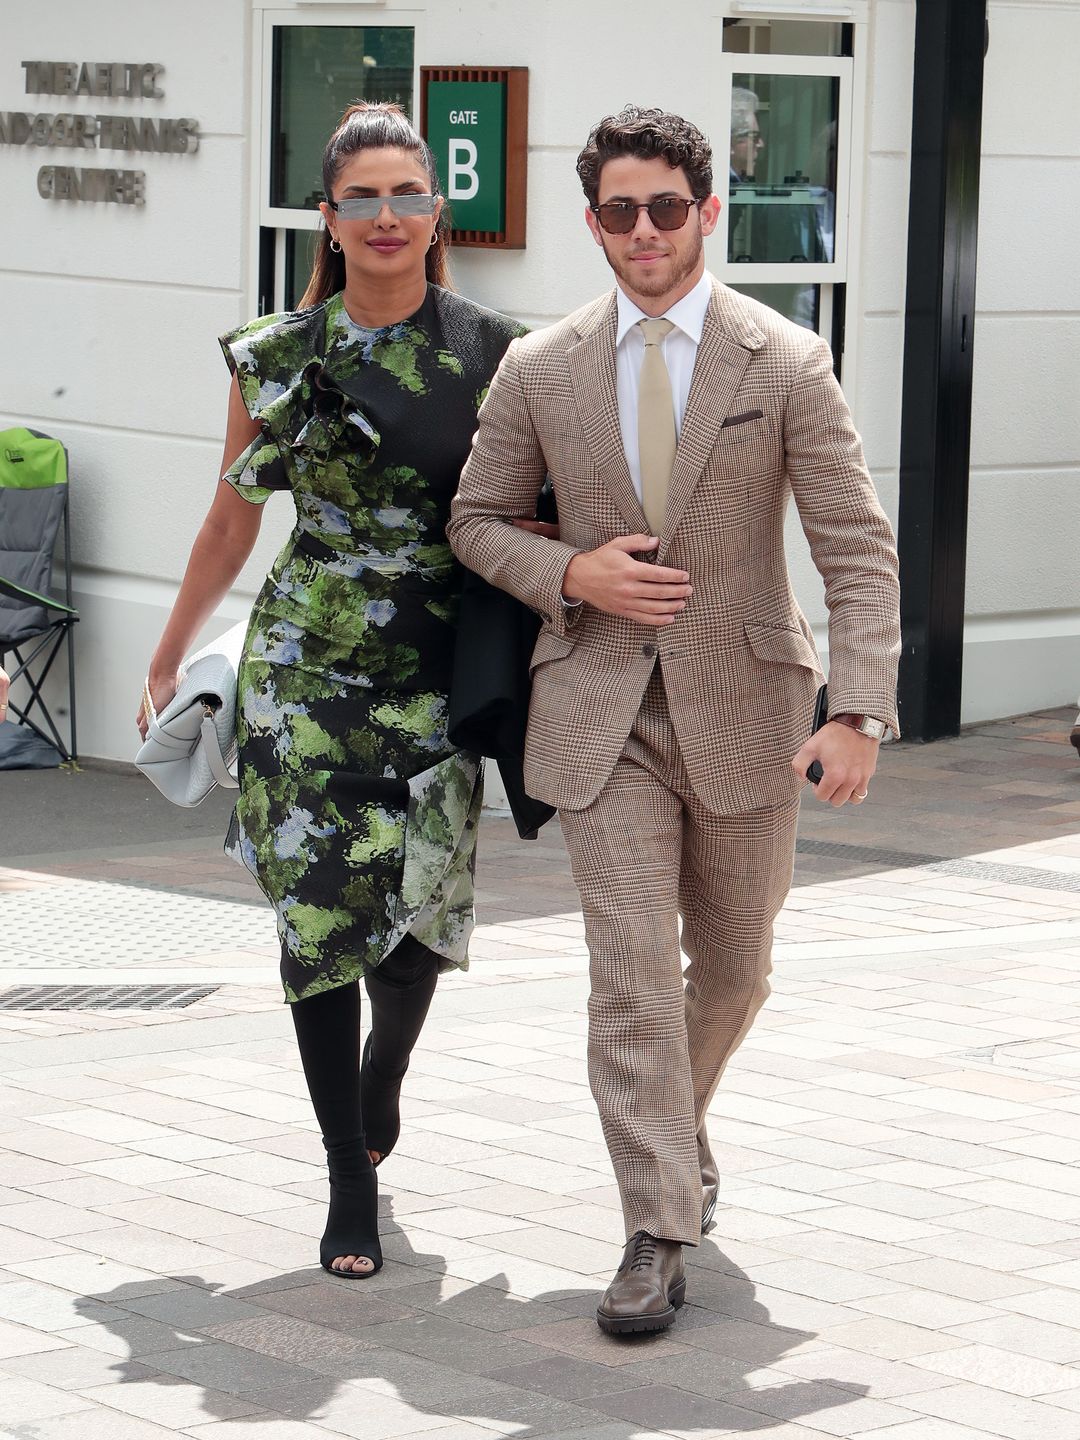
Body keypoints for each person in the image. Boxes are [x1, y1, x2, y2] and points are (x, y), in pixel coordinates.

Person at [448, 106, 901, 1335]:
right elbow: (475, 520)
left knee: (738, 969)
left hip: (750, 708)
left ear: (707, 211)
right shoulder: (540, 367)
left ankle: (675, 1137)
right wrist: (572, 575)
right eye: (616, 211)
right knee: (632, 975)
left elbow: (855, 547)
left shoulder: (785, 361)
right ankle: (654, 1226)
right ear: (592, 222)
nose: (641, 231)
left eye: (664, 208)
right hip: (599, 714)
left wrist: (857, 707)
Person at [138, 102, 537, 1280]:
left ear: (433, 210)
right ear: (329, 216)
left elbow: (531, 513)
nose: (384, 216)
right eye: (359, 196)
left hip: (435, 675)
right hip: (302, 678)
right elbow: (229, 517)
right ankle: (345, 1180)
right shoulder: (279, 354)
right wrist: (171, 649)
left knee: (411, 938)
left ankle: (386, 1079)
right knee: (316, 930)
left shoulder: (494, 353)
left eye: (404, 193)